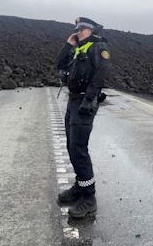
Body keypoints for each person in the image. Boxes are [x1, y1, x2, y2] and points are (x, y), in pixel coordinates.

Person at [56, 17, 110, 218]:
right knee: (71, 146)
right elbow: (60, 64)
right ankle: (80, 186)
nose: (78, 32)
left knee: (78, 149)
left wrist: (90, 99)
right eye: (77, 29)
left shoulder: (99, 47)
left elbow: (101, 73)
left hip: (85, 102)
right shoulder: (79, 47)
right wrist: (68, 44)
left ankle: (89, 198)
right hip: (73, 100)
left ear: (92, 30)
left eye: (82, 29)